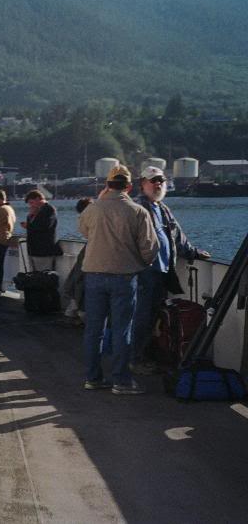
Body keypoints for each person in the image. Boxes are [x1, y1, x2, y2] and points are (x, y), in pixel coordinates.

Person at [78, 165, 158, 395]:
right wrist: (142, 262)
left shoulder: (92, 209)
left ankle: (93, 378)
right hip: (124, 276)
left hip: (94, 275)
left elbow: (84, 231)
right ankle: (121, 381)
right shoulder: (137, 211)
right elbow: (150, 247)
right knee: (122, 329)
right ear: (129, 187)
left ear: (107, 185)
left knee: (94, 330)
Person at [131, 166, 210, 374]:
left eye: (161, 180)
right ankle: (135, 359)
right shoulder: (137, 207)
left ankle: (148, 355)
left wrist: (194, 252)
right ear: (143, 184)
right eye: (153, 180)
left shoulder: (163, 208)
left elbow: (178, 237)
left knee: (154, 316)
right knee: (141, 317)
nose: (158, 184)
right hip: (143, 272)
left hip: (162, 272)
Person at [62, 198, 93, 323]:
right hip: (91, 252)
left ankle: (74, 308)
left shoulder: (83, 220)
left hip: (88, 252)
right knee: (80, 279)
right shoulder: (92, 219)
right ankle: (80, 309)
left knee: (78, 278)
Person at [20, 190, 62, 271]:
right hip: (34, 250)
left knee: (44, 273)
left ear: (38, 199)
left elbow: (45, 226)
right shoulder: (37, 211)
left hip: (44, 250)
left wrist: (28, 225)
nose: (31, 205)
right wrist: (30, 216)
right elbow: (34, 226)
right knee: (34, 274)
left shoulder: (48, 209)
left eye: (32, 202)